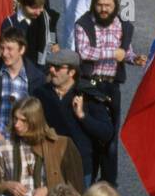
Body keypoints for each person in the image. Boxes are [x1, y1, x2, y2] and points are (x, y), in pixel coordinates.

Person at [73, 0, 145, 183]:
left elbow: (125, 51)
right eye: (100, 5)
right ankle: (86, 181)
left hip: (112, 87)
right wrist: (112, 54)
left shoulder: (122, 25)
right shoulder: (84, 24)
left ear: (115, 6)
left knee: (110, 141)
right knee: (88, 134)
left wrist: (133, 58)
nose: (104, 9)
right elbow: (83, 53)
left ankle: (108, 187)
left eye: (108, 5)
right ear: (94, 5)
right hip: (90, 86)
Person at [0, 97, 85, 196]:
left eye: (23, 120)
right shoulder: (3, 147)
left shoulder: (60, 145)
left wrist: (47, 190)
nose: (16, 124)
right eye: (15, 118)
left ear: (35, 121)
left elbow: (75, 188)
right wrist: (7, 185)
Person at [33, 50, 113, 178]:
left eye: (58, 67)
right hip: (47, 162)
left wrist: (83, 116)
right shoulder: (40, 94)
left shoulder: (88, 95)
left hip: (79, 166)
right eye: (50, 66)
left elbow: (106, 133)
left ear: (72, 72)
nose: (52, 70)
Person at [0, 30, 46, 138]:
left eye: (9, 49)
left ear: (22, 49)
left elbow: (38, 115)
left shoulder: (37, 78)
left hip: (24, 137)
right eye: (2, 48)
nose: (4, 54)